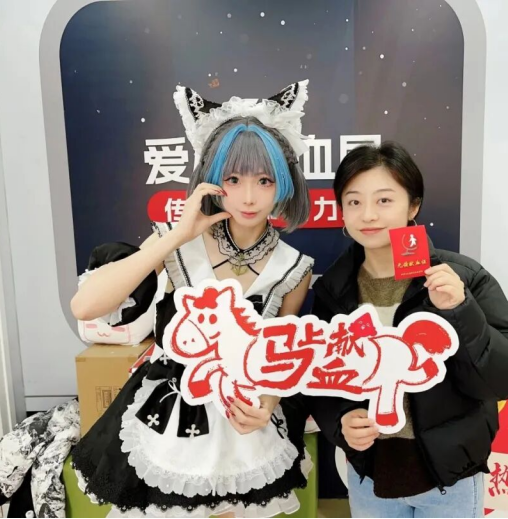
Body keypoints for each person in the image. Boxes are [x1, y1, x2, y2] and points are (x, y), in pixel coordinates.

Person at [70, 81, 315, 518]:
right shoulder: (176, 244)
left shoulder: (293, 266)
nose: (248, 196)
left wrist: (268, 406)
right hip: (170, 412)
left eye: (264, 180)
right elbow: (85, 307)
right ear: (210, 179)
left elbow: (279, 355)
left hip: (242, 420)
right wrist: (178, 236)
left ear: (285, 183)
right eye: (233, 179)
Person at [307, 142, 508, 518]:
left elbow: (506, 377)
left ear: (413, 206)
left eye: (384, 200)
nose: (368, 215)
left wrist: (461, 309)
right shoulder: (334, 289)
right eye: (354, 201)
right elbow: (321, 377)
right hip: (370, 475)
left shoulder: (463, 277)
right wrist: (340, 421)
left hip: (450, 478)